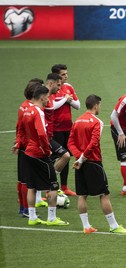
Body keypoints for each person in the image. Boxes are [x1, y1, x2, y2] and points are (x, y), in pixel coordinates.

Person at [68, 95, 126, 234]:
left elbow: (70, 143)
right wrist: (83, 157)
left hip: (80, 163)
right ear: (96, 105)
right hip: (93, 162)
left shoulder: (77, 121)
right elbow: (93, 143)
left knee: (82, 195)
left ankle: (86, 227)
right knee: (104, 194)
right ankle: (114, 226)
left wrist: (78, 158)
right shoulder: (97, 122)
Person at [17, 86, 69, 226]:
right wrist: (46, 150)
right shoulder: (38, 112)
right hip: (39, 154)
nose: (48, 99)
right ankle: (52, 218)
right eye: (47, 97)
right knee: (53, 185)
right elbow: (41, 134)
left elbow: (20, 130)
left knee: (32, 186)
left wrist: (25, 144)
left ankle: (32, 217)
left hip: (28, 152)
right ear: (42, 97)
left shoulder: (27, 110)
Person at [13, 79, 43, 217]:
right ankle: (25, 209)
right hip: (29, 148)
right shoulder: (29, 109)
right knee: (27, 180)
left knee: (22, 179)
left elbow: (18, 128)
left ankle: (22, 208)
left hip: (24, 146)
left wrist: (18, 143)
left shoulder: (23, 106)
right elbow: (22, 129)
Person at [51, 64, 81, 196]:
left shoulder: (69, 87)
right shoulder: (51, 89)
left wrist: (69, 101)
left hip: (68, 128)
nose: (66, 76)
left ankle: (64, 187)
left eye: (66, 74)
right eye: (63, 74)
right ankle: (50, 185)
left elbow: (78, 105)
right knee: (53, 158)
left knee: (66, 157)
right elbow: (51, 106)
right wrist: (64, 100)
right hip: (55, 130)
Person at [45, 73, 72, 196]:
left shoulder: (48, 96)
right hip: (44, 137)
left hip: (48, 136)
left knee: (65, 155)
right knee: (60, 156)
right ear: (51, 83)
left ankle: (50, 184)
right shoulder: (45, 97)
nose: (59, 89)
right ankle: (47, 186)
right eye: (58, 85)